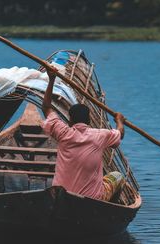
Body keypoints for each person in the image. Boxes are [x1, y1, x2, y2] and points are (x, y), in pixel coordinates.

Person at [41, 68, 126, 201]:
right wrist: (119, 121)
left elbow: (46, 107)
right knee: (118, 176)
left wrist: (51, 80)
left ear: (70, 120)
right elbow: (119, 135)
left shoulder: (63, 132)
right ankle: (109, 208)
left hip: (61, 196)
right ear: (89, 120)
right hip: (92, 199)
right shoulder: (100, 135)